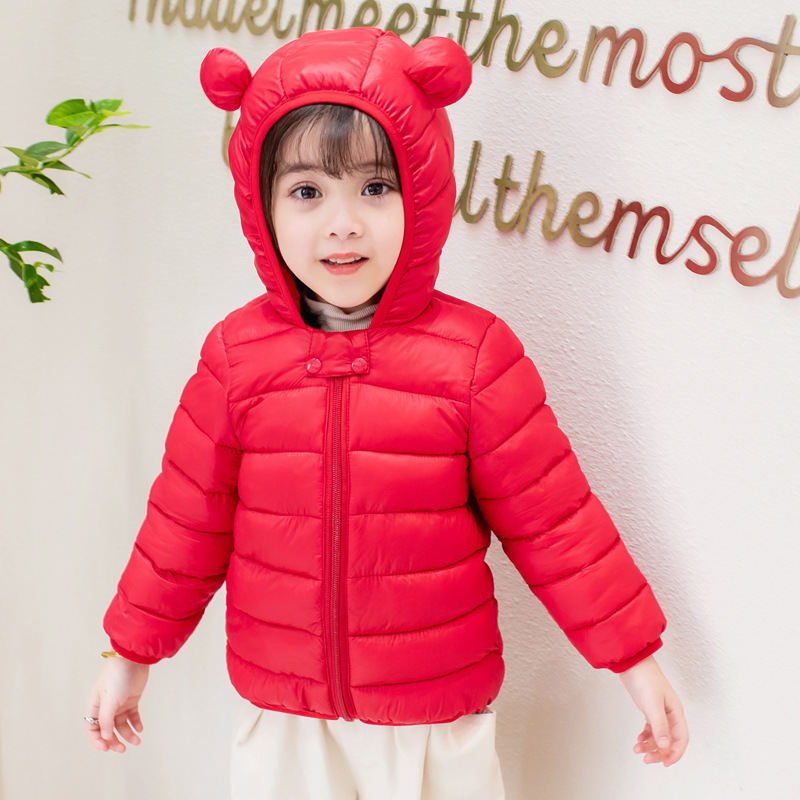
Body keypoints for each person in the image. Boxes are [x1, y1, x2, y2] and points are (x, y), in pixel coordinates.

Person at [84, 27, 688, 798]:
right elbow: (182, 526)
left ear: (423, 193)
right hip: (288, 722)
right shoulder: (236, 358)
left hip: (433, 727)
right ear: (261, 206)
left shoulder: (474, 357)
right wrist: (127, 657)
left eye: (375, 187)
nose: (344, 223)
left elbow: (556, 525)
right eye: (308, 192)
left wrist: (635, 661)